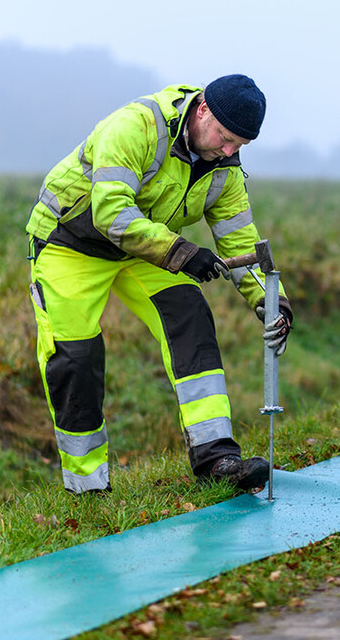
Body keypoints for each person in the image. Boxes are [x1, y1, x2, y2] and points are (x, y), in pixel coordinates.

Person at [25, 74, 292, 495]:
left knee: (190, 316)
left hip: (144, 250)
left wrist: (269, 301)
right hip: (70, 243)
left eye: (240, 145)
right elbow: (111, 214)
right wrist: (184, 253)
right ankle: (87, 488)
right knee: (75, 358)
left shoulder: (225, 168)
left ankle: (216, 458)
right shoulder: (135, 127)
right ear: (202, 108)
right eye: (224, 138)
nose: (229, 151)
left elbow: (240, 240)